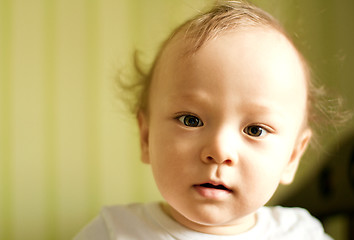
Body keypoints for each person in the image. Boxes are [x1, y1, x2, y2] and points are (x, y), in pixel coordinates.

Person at [75, 0, 337, 239]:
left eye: (255, 130)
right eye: (190, 120)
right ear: (146, 137)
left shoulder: (301, 234)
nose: (219, 150)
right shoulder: (114, 231)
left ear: (292, 156)